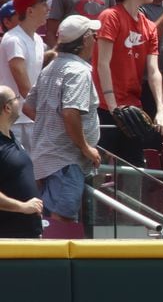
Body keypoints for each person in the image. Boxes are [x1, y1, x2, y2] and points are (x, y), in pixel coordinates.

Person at [92, 0, 163, 196]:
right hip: (105, 108)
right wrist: (112, 105)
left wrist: (161, 108)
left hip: (133, 109)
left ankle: (130, 227)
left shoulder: (149, 26)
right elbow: (101, 63)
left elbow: (154, 71)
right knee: (98, 168)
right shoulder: (110, 16)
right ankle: (90, 226)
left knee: (134, 170)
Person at [24, 15, 102, 222]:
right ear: (85, 39)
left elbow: (28, 107)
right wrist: (86, 148)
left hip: (49, 158)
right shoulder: (77, 71)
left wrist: (51, 125)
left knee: (50, 220)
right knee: (61, 220)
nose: (96, 39)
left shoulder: (51, 67)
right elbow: (70, 113)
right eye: (94, 35)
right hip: (66, 161)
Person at [0, 0, 48, 154]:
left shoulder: (36, 39)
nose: (47, 7)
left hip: (30, 119)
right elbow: (23, 85)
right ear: (30, 11)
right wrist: (42, 116)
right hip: (15, 122)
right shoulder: (14, 39)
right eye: (43, 3)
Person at [0, 85, 43, 238]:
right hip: (8, 239)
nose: (20, 102)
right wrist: (23, 207)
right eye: (16, 99)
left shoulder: (12, 139)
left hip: (28, 233)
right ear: (7, 108)